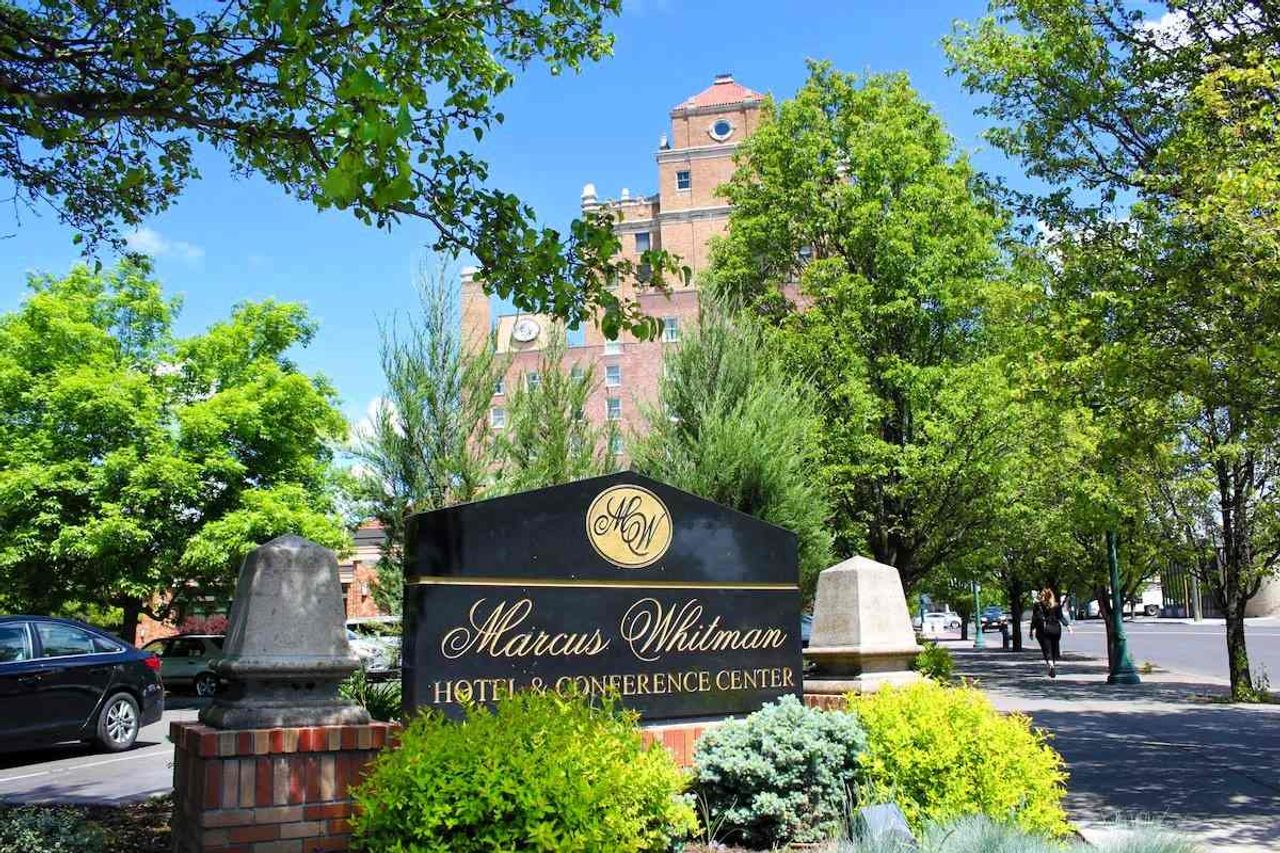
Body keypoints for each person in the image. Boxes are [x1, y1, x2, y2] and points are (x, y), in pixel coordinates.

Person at [1029, 588, 1072, 678]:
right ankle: (1052, 664)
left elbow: (1035, 618)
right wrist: (1068, 626)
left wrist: (1032, 630)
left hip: (1044, 630)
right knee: (1054, 648)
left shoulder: (1038, 605)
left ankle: (1051, 665)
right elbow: (1061, 617)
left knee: (1047, 650)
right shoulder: (1056, 605)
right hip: (1056, 629)